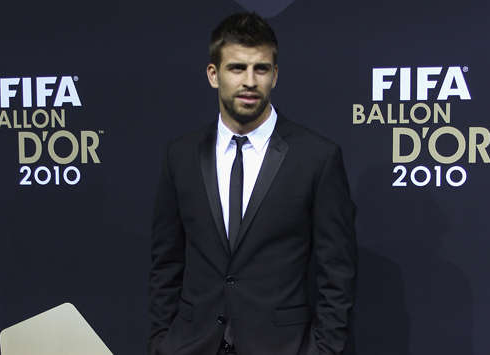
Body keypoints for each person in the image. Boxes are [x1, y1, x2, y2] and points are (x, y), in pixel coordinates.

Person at [148, 12, 357, 355]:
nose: (249, 81)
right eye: (236, 68)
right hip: (191, 344)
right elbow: (166, 263)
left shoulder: (317, 157)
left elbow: (337, 271)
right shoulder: (180, 156)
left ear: (275, 75)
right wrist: (160, 342)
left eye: (260, 69)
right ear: (213, 75)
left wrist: (323, 350)